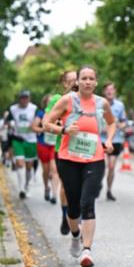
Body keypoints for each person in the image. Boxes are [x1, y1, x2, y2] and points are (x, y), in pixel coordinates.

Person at [43, 65, 116, 267]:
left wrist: (109, 140)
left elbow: (111, 123)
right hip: (68, 158)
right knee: (73, 205)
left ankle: (87, 250)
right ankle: (75, 235)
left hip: (94, 158)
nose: (87, 82)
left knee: (87, 202)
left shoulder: (102, 103)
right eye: (84, 78)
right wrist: (64, 129)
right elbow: (46, 123)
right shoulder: (67, 100)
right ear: (78, 81)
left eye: (91, 78)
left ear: (96, 82)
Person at [45, 70, 78, 234]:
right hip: (63, 149)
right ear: (64, 84)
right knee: (66, 186)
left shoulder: (87, 100)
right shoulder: (58, 100)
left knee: (82, 188)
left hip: (83, 151)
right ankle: (66, 216)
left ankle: (77, 217)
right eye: (69, 81)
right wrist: (62, 128)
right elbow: (47, 122)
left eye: (75, 80)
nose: (73, 84)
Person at [4, 90, 39, 199]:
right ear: (19, 99)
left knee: (29, 166)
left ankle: (27, 186)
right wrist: (10, 124)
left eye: (26, 98)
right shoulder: (13, 109)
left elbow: (40, 120)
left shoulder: (34, 108)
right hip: (17, 139)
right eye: (22, 98)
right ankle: (21, 189)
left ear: (29, 98)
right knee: (19, 163)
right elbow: (7, 121)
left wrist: (36, 125)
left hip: (31, 140)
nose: (24, 100)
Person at [100, 82, 128, 201]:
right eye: (107, 89)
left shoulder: (120, 105)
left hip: (115, 140)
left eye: (112, 89)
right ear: (104, 92)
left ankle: (109, 190)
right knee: (101, 166)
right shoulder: (98, 104)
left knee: (111, 166)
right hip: (101, 139)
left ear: (115, 92)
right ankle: (97, 183)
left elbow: (124, 122)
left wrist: (118, 125)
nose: (110, 91)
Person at [33, 95, 59, 204]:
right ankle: (46, 187)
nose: (52, 103)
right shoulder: (41, 113)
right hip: (43, 144)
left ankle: (54, 195)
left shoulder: (60, 113)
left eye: (54, 101)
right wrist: (44, 129)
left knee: (54, 169)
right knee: (46, 170)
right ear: (46, 103)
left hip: (55, 144)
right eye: (50, 102)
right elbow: (34, 127)